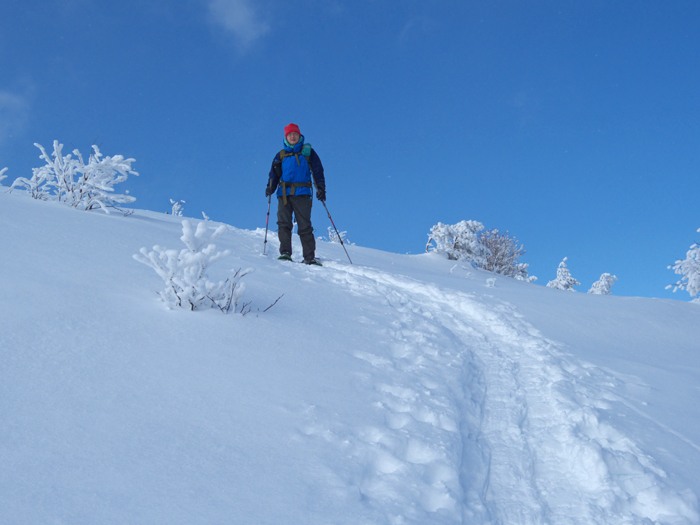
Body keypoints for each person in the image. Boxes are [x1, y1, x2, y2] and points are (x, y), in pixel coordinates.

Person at [266, 123, 326, 265]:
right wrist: (270, 188)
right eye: (290, 134)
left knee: (304, 225)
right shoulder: (280, 155)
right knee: (284, 224)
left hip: (303, 193)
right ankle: (285, 253)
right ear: (286, 137)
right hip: (284, 194)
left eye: (295, 134)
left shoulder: (308, 152)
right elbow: (273, 174)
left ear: (300, 136)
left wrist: (321, 188)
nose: (293, 136)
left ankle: (309, 257)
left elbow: (318, 171)